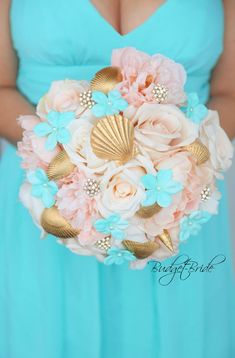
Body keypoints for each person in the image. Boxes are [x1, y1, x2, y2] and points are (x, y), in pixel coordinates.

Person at [0, 1, 235, 357]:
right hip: (47, 205)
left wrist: (170, 159)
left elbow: (229, 93)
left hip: (173, 212)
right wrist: (73, 159)